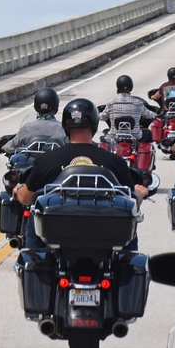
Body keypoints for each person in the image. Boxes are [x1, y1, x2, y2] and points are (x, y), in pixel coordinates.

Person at [15, 98, 149, 249]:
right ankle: (127, 266)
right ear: (94, 124)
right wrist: (139, 194)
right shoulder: (115, 162)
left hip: (58, 230)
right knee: (129, 222)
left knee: (35, 215)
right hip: (104, 231)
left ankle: (35, 261)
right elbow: (130, 200)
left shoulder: (46, 161)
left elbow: (26, 198)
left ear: (66, 125)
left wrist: (17, 190)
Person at [1, 87, 67, 154]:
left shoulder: (27, 128)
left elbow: (8, 147)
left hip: (31, 163)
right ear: (56, 108)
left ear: (36, 107)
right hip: (56, 163)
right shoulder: (62, 128)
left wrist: (3, 147)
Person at [100, 75, 156, 144]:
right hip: (135, 136)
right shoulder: (137, 102)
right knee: (148, 132)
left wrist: (96, 115)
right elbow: (148, 115)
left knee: (105, 132)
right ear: (131, 86)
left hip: (114, 136)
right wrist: (155, 114)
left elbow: (103, 117)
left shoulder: (111, 103)